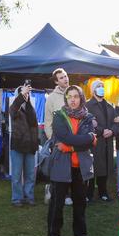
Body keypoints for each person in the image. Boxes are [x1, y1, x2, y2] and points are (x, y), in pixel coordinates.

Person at [47, 85, 96, 236]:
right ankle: (54, 233)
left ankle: (81, 233)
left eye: (76, 96)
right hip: (62, 165)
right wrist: (85, 140)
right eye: (70, 96)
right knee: (57, 201)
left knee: (80, 202)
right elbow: (65, 137)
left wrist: (71, 147)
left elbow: (86, 140)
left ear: (81, 98)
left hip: (81, 167)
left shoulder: (88, 117)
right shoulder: (59, 116)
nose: (73, 99)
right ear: (66, 98)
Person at [86, 79, 119, 202]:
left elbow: (116, 122)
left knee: (104, 168)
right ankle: (88, 194)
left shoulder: (109, 105)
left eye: (103, 86)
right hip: (94, 142)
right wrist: (101, 131)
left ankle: (103, 192)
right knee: (93, 167)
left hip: (107, 142)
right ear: (93, 90)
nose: (101, 88)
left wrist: (112, 131)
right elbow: (87, 122)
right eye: (99, 86)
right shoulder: (88, 105)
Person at [43, 68, 72, 205]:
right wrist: (51, 139)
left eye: (65, 76)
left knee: (73, 166)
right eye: (61, 78)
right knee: (61, 168)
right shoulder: (51, 98)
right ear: (56, 81)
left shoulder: (74, 93)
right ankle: (62, 194)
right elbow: (47, 120)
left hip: (74, 137)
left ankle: (71, 193)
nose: (65, 79)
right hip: (58, 139)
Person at [9, 82, 39, 207]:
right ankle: (17, 198)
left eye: (28, 93)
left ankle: (29, 196)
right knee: (16, 175)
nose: (27, 95)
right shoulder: (14, 107)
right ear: (19, 94)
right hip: (18, 145)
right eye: (24, 93)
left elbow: (34, 126)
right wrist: (22, 94)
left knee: (30, 174)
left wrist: (36, 142)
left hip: (30, 145)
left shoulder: (31, 107)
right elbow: (12, 111)